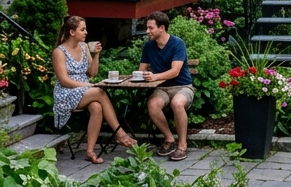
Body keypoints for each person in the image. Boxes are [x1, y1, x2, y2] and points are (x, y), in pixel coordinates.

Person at [52, 15, 136, 164]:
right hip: (66, 94)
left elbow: (92, 73)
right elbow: (64, 80)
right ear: (72, 32)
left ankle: (90, 152)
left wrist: (96, 54)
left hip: (85, 91)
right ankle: (120, 134)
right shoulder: (59, 52)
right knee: (99, 91)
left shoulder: (84, 47)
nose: (86, 32)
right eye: (82, 29)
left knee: (97, 107)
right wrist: (88, 86)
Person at [140, 12, 194, 161]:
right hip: (162, 88)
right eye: (147, 28)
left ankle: (182, 145)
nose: (147, 31)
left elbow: (175, 71)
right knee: (152, 104)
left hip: (182, 86)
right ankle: (170, 139)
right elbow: (141, 69)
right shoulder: (149, 46)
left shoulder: (177, 44)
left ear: (161, 28)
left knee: (177, 103)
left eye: (150, 28)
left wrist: (155, 76)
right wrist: (139, 76)